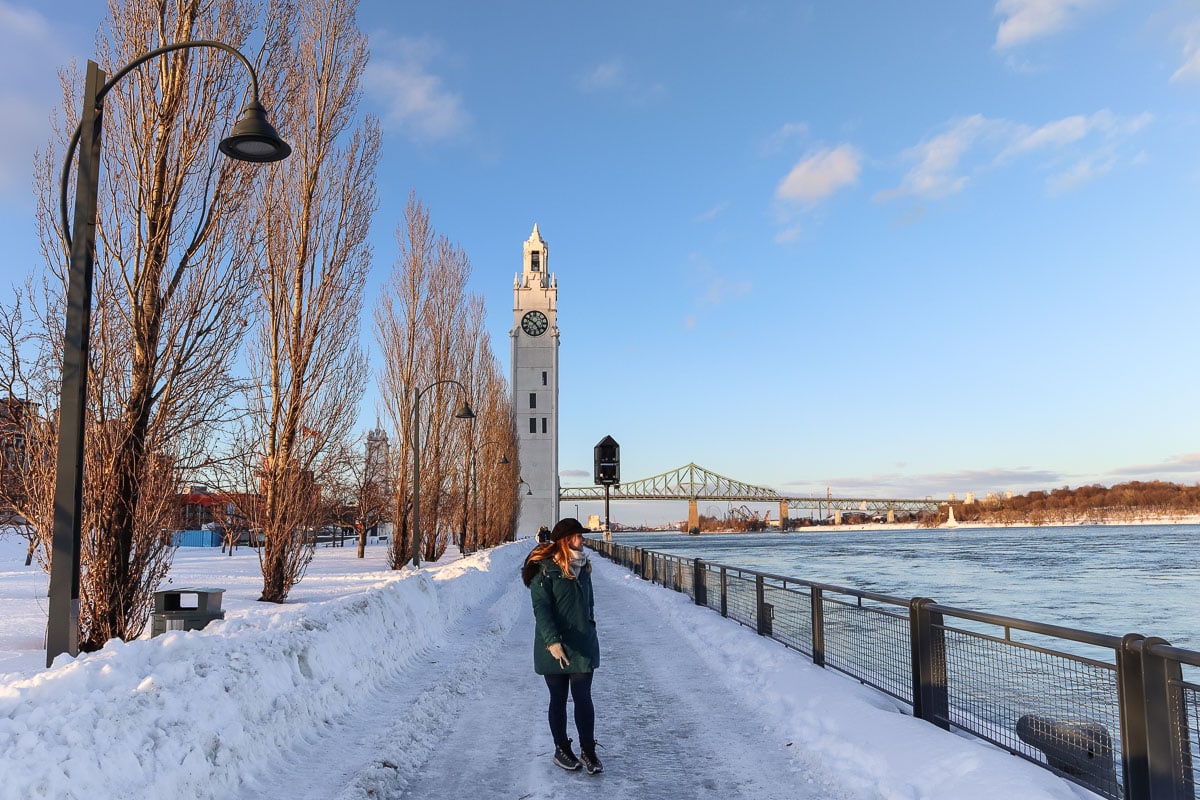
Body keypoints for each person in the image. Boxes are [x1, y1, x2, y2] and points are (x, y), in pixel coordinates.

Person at [521, 517, 603, 774]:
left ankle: (588, 751)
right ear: (568, 540)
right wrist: (552, 641)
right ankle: (561, 749)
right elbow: (541, 609)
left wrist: (589, 625)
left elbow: (588, 603)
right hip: (553, 647)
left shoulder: (584, 566)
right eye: (579, 535)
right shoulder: (544, 569)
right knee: (558, 698)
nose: (583, 539)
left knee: (583, 698)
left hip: (581, 643)